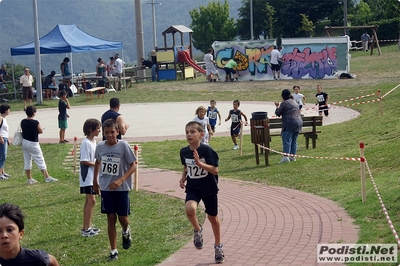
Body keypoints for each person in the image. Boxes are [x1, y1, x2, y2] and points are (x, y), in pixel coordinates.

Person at [179, 121, 225, 264]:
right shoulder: (184, 151)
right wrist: (183, 177)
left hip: (209, 188)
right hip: (193, 187)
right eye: (187, 132)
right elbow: (186, 165)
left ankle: (218, 246)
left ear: (201, 135)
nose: (189, 134)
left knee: (212, 218)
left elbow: (215, 170)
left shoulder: (206, 151)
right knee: (190, 209)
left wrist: (200, 164)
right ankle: (198, 230)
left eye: (193, 132)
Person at [93, 118, 137, 261]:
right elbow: (98, 162)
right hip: (106, 187)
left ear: (118, 132)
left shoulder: (123, 145)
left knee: (123, 218)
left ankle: (125, 231)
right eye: (107, 133)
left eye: (113, 132)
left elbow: (133, 165)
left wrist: (121, 179)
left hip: (122, 188)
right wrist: (95, 181)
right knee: (111, 218)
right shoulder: (100, 147)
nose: (110, 135)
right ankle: (113, 251)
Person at [21, 106, 58, 185]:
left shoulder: (23, 121)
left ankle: (29, 178)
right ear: (33, 113)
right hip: (33, 143)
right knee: (39, 159)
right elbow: (40, 131)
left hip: (24, 142)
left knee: (27, 160)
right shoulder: (35, 122)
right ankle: (47, 177)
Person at [80, 118, 101, 237]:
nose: (99, 131)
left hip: (93, 175)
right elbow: (84, 161)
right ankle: (86, 229)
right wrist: (97, 164)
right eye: (98, 128)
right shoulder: (86, 143)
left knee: (89, 201)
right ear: (91, 129)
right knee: (92, 200)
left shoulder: (94, 141)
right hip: (87, 176)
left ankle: (86, 227)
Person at [274, 89, 303, 164]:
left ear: (283, 96)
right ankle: (292, 156)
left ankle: (286, 157)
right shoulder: (294, 102)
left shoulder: (284, 103)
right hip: (298, 123)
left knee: (286, 140)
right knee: (294, 140)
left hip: (289, 123)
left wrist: (277, 106)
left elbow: (278, 113)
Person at [0, 104, 11, 180]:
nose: (9, 111)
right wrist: (1, 138)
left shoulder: (4, 118)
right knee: (2, 156)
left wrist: (8, 139)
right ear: (5, 110)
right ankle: (0, 173)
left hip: (5, 138)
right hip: (2, 138)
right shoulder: (0, 118)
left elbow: (5, 130)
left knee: (4, 156)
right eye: (8, 109)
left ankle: (3, 172)